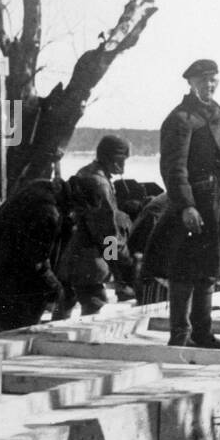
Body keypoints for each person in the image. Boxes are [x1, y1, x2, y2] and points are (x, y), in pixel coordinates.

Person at [152, 58, 220, 349]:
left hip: (216, 203)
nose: (209, 85)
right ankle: (180, 335)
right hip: (195, 204)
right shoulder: (181, 119)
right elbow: (174, 168)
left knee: (209, 270)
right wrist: (186, 205)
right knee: (184, 270)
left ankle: (203, 333)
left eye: (213, 80)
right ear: (191, 83)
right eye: (203, 80)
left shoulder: (215, 116)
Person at [0, 176, 96, 334]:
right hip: (16, 283)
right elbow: (110, 234)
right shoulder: (51, 210)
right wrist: (114, 263)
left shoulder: (47, 186)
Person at [55, 135, 133, 318]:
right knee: (93, 303)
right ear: (113, 158)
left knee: (65, 301)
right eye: (122, 160)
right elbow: (107, 234)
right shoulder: (100, 184)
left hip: (70, 256)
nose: (123, 165)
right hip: (89, 262)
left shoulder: (86, 172)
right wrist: (119, 262)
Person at [128, 191, 170, 305]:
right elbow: (111, 241)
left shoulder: (121, 218)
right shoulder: (121, 219)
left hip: (107, 269)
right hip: (112, 272)